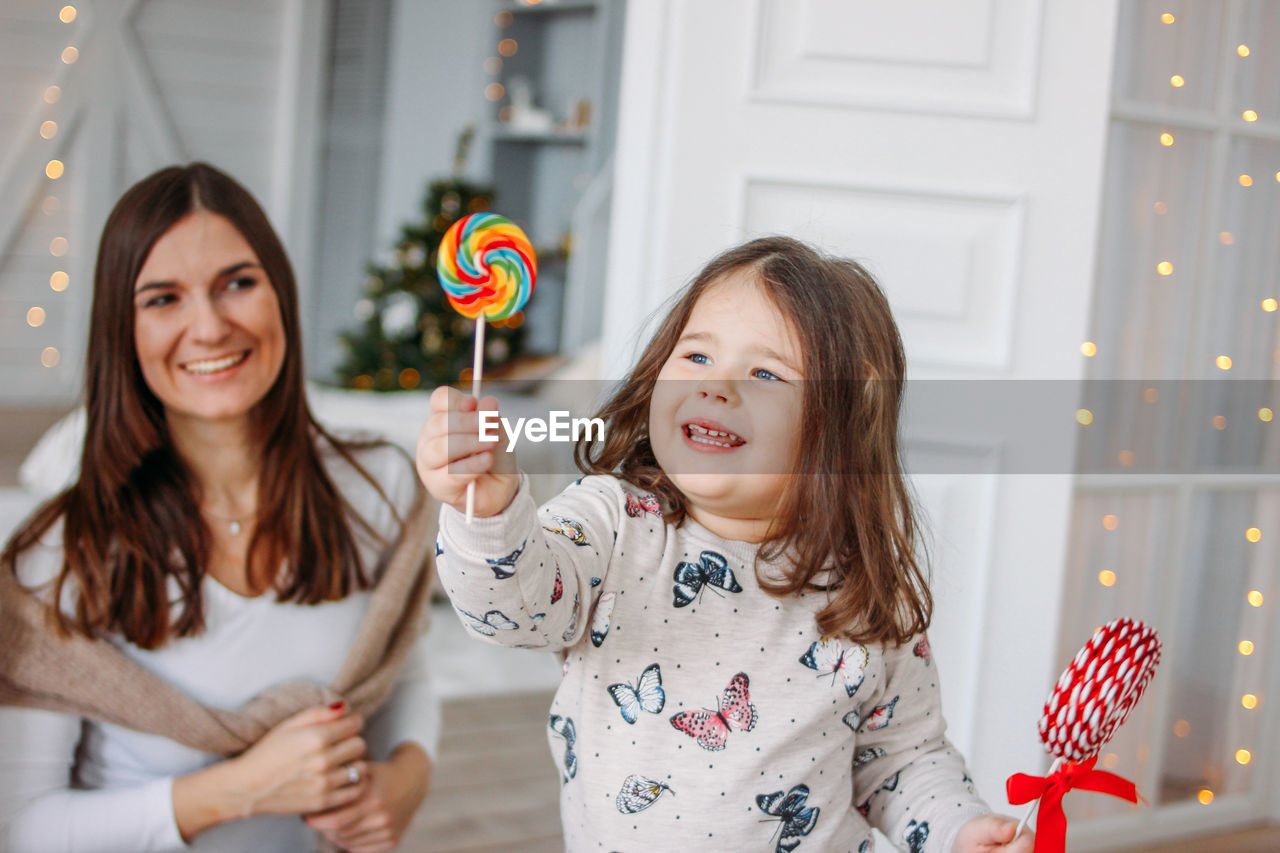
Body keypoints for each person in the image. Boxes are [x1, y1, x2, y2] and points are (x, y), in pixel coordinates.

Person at [417, 237, 1035, 852]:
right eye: (697, 356)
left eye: (766, 373)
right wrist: (491, 511)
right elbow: (514, 611)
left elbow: (903, 760)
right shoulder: (611, 524)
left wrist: (959, 831)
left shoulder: (865, 593)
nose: (717, 386)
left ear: (842, 426)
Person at [0, 163, 438, 853]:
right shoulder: (58, 554)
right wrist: (239, 789)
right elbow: (22, 830)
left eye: (238, 283)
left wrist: (409, 775)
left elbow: (401, 660)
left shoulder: (377, 483)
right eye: (163, 298)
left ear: (280, 295)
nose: (209, 327)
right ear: (123, 328)